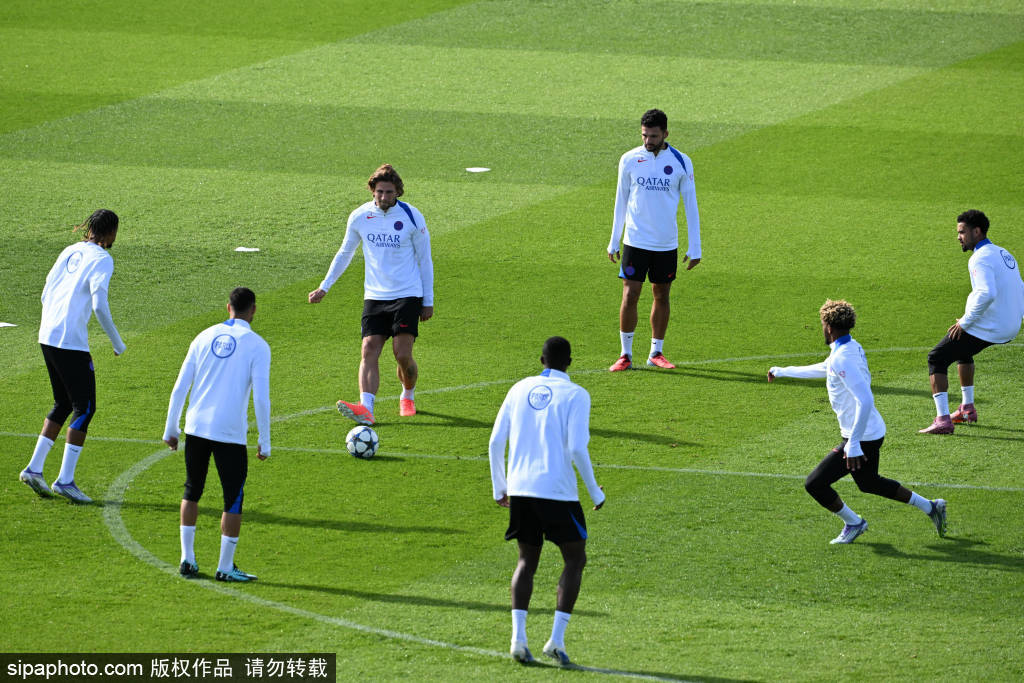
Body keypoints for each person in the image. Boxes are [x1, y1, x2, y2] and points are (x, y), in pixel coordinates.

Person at [768, 300, 947, 544]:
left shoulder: (842, 358)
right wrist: (784, 370)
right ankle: (931, 507)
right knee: (869, 482)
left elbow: (865, 399)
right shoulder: (849, 347)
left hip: (861, 436)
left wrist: (853, 444)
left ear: (828, 327)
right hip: (870, 430)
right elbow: (826, 367)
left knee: (815, 484)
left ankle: (854, 523)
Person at [488, 336, 606, 666]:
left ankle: (518, 639)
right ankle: (556, 640)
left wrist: (500, 488)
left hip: (521, 489)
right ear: (570, 362)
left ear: (541, 360)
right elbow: (577, 448)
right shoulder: (577, 394)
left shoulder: (518, 388)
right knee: (575, 559)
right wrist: (595, 492)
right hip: (557, 491)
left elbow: (495, 441)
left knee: (526, 561)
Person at [309, 164, 434, 424]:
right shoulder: (359, 216)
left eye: (389, 192)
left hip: (407, 293)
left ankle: (407, 395)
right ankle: (366, 409)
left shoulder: (412, 216)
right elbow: (345, 253)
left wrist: (428, 300)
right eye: (379, 192)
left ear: (398, 191)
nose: (384, 197)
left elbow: (425, 260)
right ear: (372, 191)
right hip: (375, 296)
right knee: (368, 349)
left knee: (402, 354)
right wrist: (324, 286)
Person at [163, 287, 271, 582]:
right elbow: (261, 398)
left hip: (196, 427)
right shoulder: (258, 346)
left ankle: (187, 558)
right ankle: (224, 567)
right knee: (232, 498)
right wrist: (265, 440)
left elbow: (180, 386)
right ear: (253, 310)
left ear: (228, 307)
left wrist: (171, 428)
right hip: (229, 432)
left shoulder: (203, 336)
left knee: (192, 489)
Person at [20, 209, 127, 503]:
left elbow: (45, 291)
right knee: (85, 407)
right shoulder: (102, 259)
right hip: (69, 342)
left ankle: (34, 468)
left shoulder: (69, 250)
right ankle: (65, 480)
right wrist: (117, 343)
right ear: (111, 232)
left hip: (47, 335)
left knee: (64, 403)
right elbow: (99, 305)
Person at [607, 108, 701, 372]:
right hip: (635, 240)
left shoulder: (682, 161)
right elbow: (620, 200)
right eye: (644, 135)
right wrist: (614, 240)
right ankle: (625, 354)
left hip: (665, 243)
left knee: (661, 294)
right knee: (630, 294)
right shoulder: (629, 159)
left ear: (666, 134)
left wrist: (695, 247)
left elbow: (691, 204)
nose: (648, 141)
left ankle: (656, 352)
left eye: (654, 136)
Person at [919, 210, 1024, 434]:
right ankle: (967, 409)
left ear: (977, 231)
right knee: (962, 349)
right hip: (1009, 325)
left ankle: (942, 420)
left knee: (936, 357)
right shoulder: (1003, 253)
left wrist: (965, 322)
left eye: (962, 232)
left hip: (993, 327)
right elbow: (1020, 287)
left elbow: (986, 293)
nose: (958, 237)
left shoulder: (980, 257)